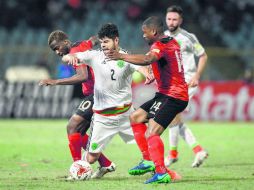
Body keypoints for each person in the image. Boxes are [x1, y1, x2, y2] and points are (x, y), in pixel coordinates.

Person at [62, 23, 153, 180]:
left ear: (116, 40)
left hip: (126, 114)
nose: (103, 45)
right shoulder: (94, 56)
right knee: (90, 158)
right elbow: (70, 56)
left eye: (107, 41)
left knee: (150, 138)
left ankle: (157, 168)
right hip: (102, 119)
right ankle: (86, 169)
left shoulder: (126, 57)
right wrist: (68, 57)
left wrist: (147, 74)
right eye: (102, 42)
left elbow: (141, 67)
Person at [106, 16, 189, 184]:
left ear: (154, 31)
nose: (143, 36)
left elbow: (148, 58)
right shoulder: (171, 42)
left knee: (152, 132)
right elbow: (157, 60)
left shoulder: (159, 45)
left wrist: (120, 56)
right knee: (135, 118)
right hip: (167, 93)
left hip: (174, 96)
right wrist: (151, 72)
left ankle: (161, 172)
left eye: (145, 33)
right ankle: (148, 161)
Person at [39, 30, 115, 179]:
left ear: (66, 42)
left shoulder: (76, 51)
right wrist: (101, 41)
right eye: (54, 50)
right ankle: (105, 164)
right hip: (101, 92)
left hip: (99, 93)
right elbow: (93, 39)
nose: (57, 52)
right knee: (78, 132)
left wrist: (55, 81)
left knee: (72, 126)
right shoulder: (82, 44)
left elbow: (82, 76)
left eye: (57, 48)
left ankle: (78, 169)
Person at [164, 5, 208, 167]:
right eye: (169, 18)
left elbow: (203, 56)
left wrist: (197, 75)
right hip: (172, 84)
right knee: (175, 118)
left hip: (188, 82)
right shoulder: (164, 37)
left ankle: (172, 154)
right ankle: (198, 150)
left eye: (175, 19)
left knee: (173, 116)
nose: (171, 21)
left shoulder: (189, 37)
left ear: (181, 20)